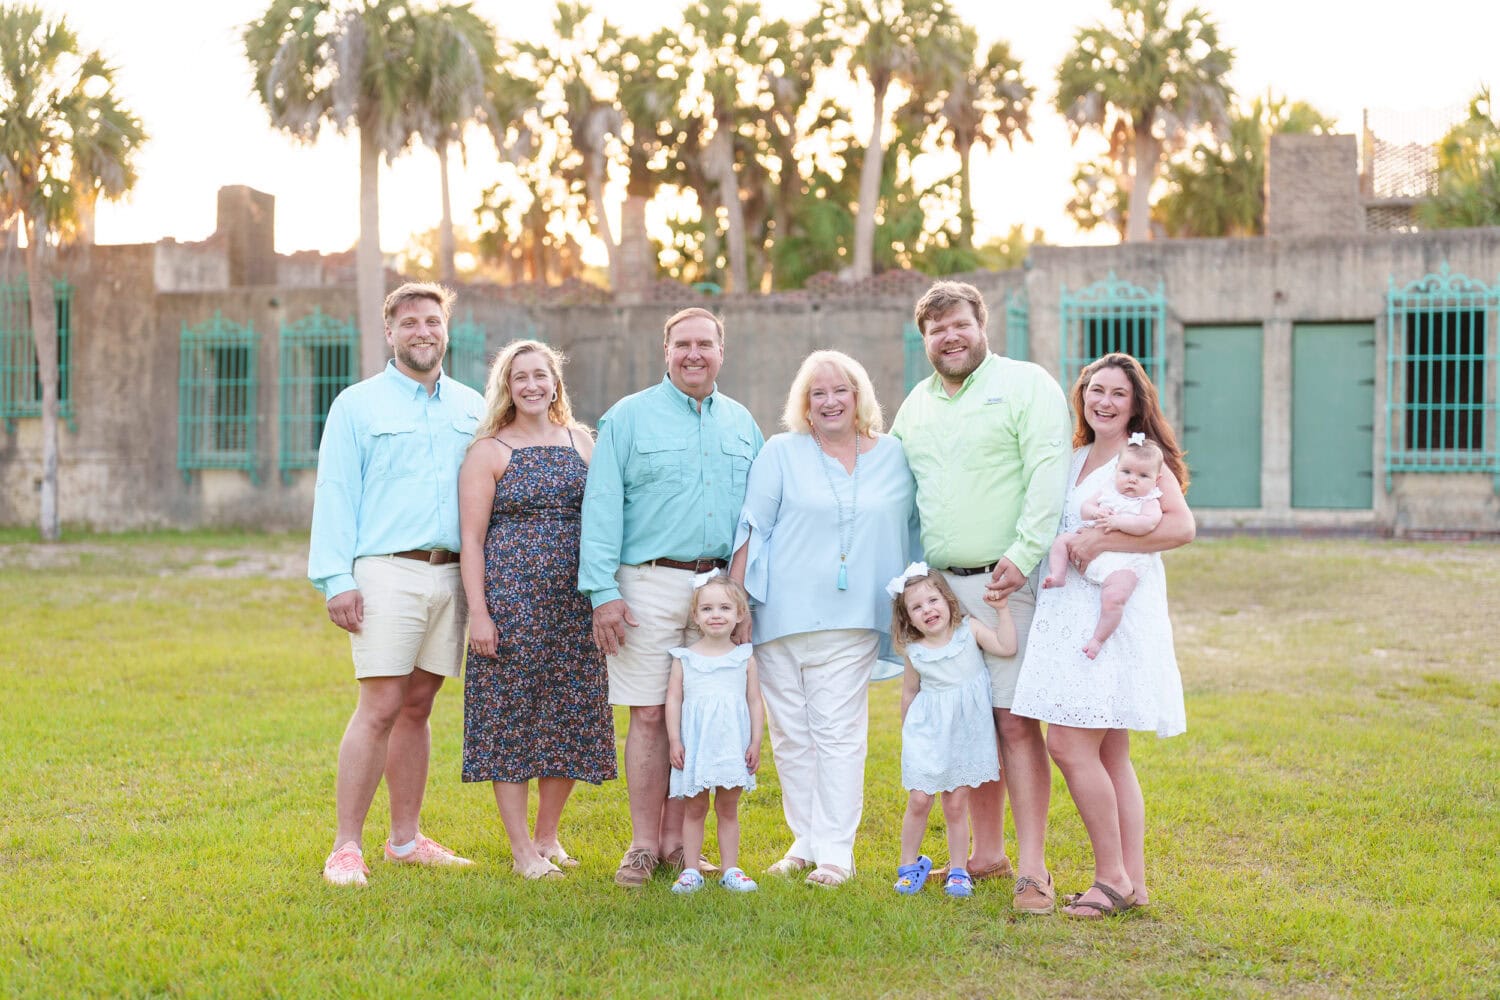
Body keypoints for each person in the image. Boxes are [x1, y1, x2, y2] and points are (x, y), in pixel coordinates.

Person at [889, 280, 1071, 913]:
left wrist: (1022, 556)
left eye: (959, 323)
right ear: (925, 340)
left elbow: (1050, 472)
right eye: (936, 330)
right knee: (971, 719)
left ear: (981, 323)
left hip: (1004, 580)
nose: (950, 336)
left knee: (1016, 723)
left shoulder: (1025, 385)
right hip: (941, 590)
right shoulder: (914, 406)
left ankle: (1033, 868)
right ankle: (985, 854)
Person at [579, 307, 764, 888]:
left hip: (718, 593)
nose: (693, 354)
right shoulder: (628, 419)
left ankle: (679, 845)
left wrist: (740, 594)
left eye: (705, 344)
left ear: (721, 351)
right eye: (682, 344)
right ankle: (640, 843)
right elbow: (601, 507)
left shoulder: (742, 423)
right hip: (648, 584)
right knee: (653, 714)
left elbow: (757, 520)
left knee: (712, 715)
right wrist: (603, 592)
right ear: (666, 351)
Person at [308, 281, 485, 886]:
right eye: (408, 323)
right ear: (390, 333)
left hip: (452, 574)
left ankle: (405, 840)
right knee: (381, 703)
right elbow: (336, 492)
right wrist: (337, 579)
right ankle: (346, 847)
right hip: (384, 570)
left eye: (431, 321)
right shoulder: (357, 405)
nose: (422, 332)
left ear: (446, 329)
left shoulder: (472, 406)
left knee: (418, 704)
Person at [1011, 352, 1195, 918]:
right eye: (1095, 391)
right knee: (1112, 752)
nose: (1104, 401)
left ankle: (1110, 877)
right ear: (1082, 397)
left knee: (1066, 743)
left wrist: (1101, 545)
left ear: (1135, 402)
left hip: (1111, 616)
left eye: (1117, 393)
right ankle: (1132, 884)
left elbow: (1181, 527)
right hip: (1067, 612)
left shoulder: (1143, 458)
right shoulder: (1073, 459)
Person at [729, 349, 918, 888]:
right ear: (804, 405)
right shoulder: (781, 451)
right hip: (778, 615)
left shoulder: (894, 456)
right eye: (818, 393)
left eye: (841, 391)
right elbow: (753, 528)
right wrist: (739, 602)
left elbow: (918, 524)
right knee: (792, 735)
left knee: (837, 732)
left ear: (859, 397)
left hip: (854, 617)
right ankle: (806, 841)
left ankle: (837, 851)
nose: (831, 401)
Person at [457, 339, 617, 880]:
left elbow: (605, 516)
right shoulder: (489, 452)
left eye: (540, 376)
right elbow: (472, 540)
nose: (531, 385)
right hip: (511, 604)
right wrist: (479, 613)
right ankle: (522, 849)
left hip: (575, 605)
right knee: (511, 721)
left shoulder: (582, 442)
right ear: (506, 386)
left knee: (570, 716)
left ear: (555, 384)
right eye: (519, 376)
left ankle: (548, 837)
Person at [886, 565, 1014, 899]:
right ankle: (909, 865)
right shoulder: (915, 652)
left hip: (965, 733)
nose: (927, 609)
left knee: (956, 803)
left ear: (948, 600)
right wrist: (907, 736)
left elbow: (1006, 647)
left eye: (933, 599)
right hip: (927, 734)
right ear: (908, 619)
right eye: (916, 607)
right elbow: (909, 694)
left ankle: (959, 870)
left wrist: (1002, 611)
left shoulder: (968, 631)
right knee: (919, 799)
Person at [666, 573, 765, 894]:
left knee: (728, 808)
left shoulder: (744, 658)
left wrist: (755, 742)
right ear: (695, 616)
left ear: (739, 614)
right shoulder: (685, 658)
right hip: (696, 746)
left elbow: (754, 701)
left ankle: (730, 869)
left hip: (731, 746)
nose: (716, 615)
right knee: (694, 808)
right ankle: (691, 870)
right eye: (707, 609)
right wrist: (674, 740)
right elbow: (674, 700)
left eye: (724, 607)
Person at [1043, 434, 1166, 658]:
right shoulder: (1108, 491)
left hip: (1123, 562)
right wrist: (1096, 511)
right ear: (1116, 470)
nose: (1132, 480)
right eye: (1126, 472)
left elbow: (1147, 524)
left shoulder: (1149, 502)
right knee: (1061, 541)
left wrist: (1118, 521)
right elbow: (1085, 508)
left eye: (1143, 475)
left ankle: (1098, 639)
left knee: (1114, 598)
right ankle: (1058, 573)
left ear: (1156, 480)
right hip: (1090, 547)